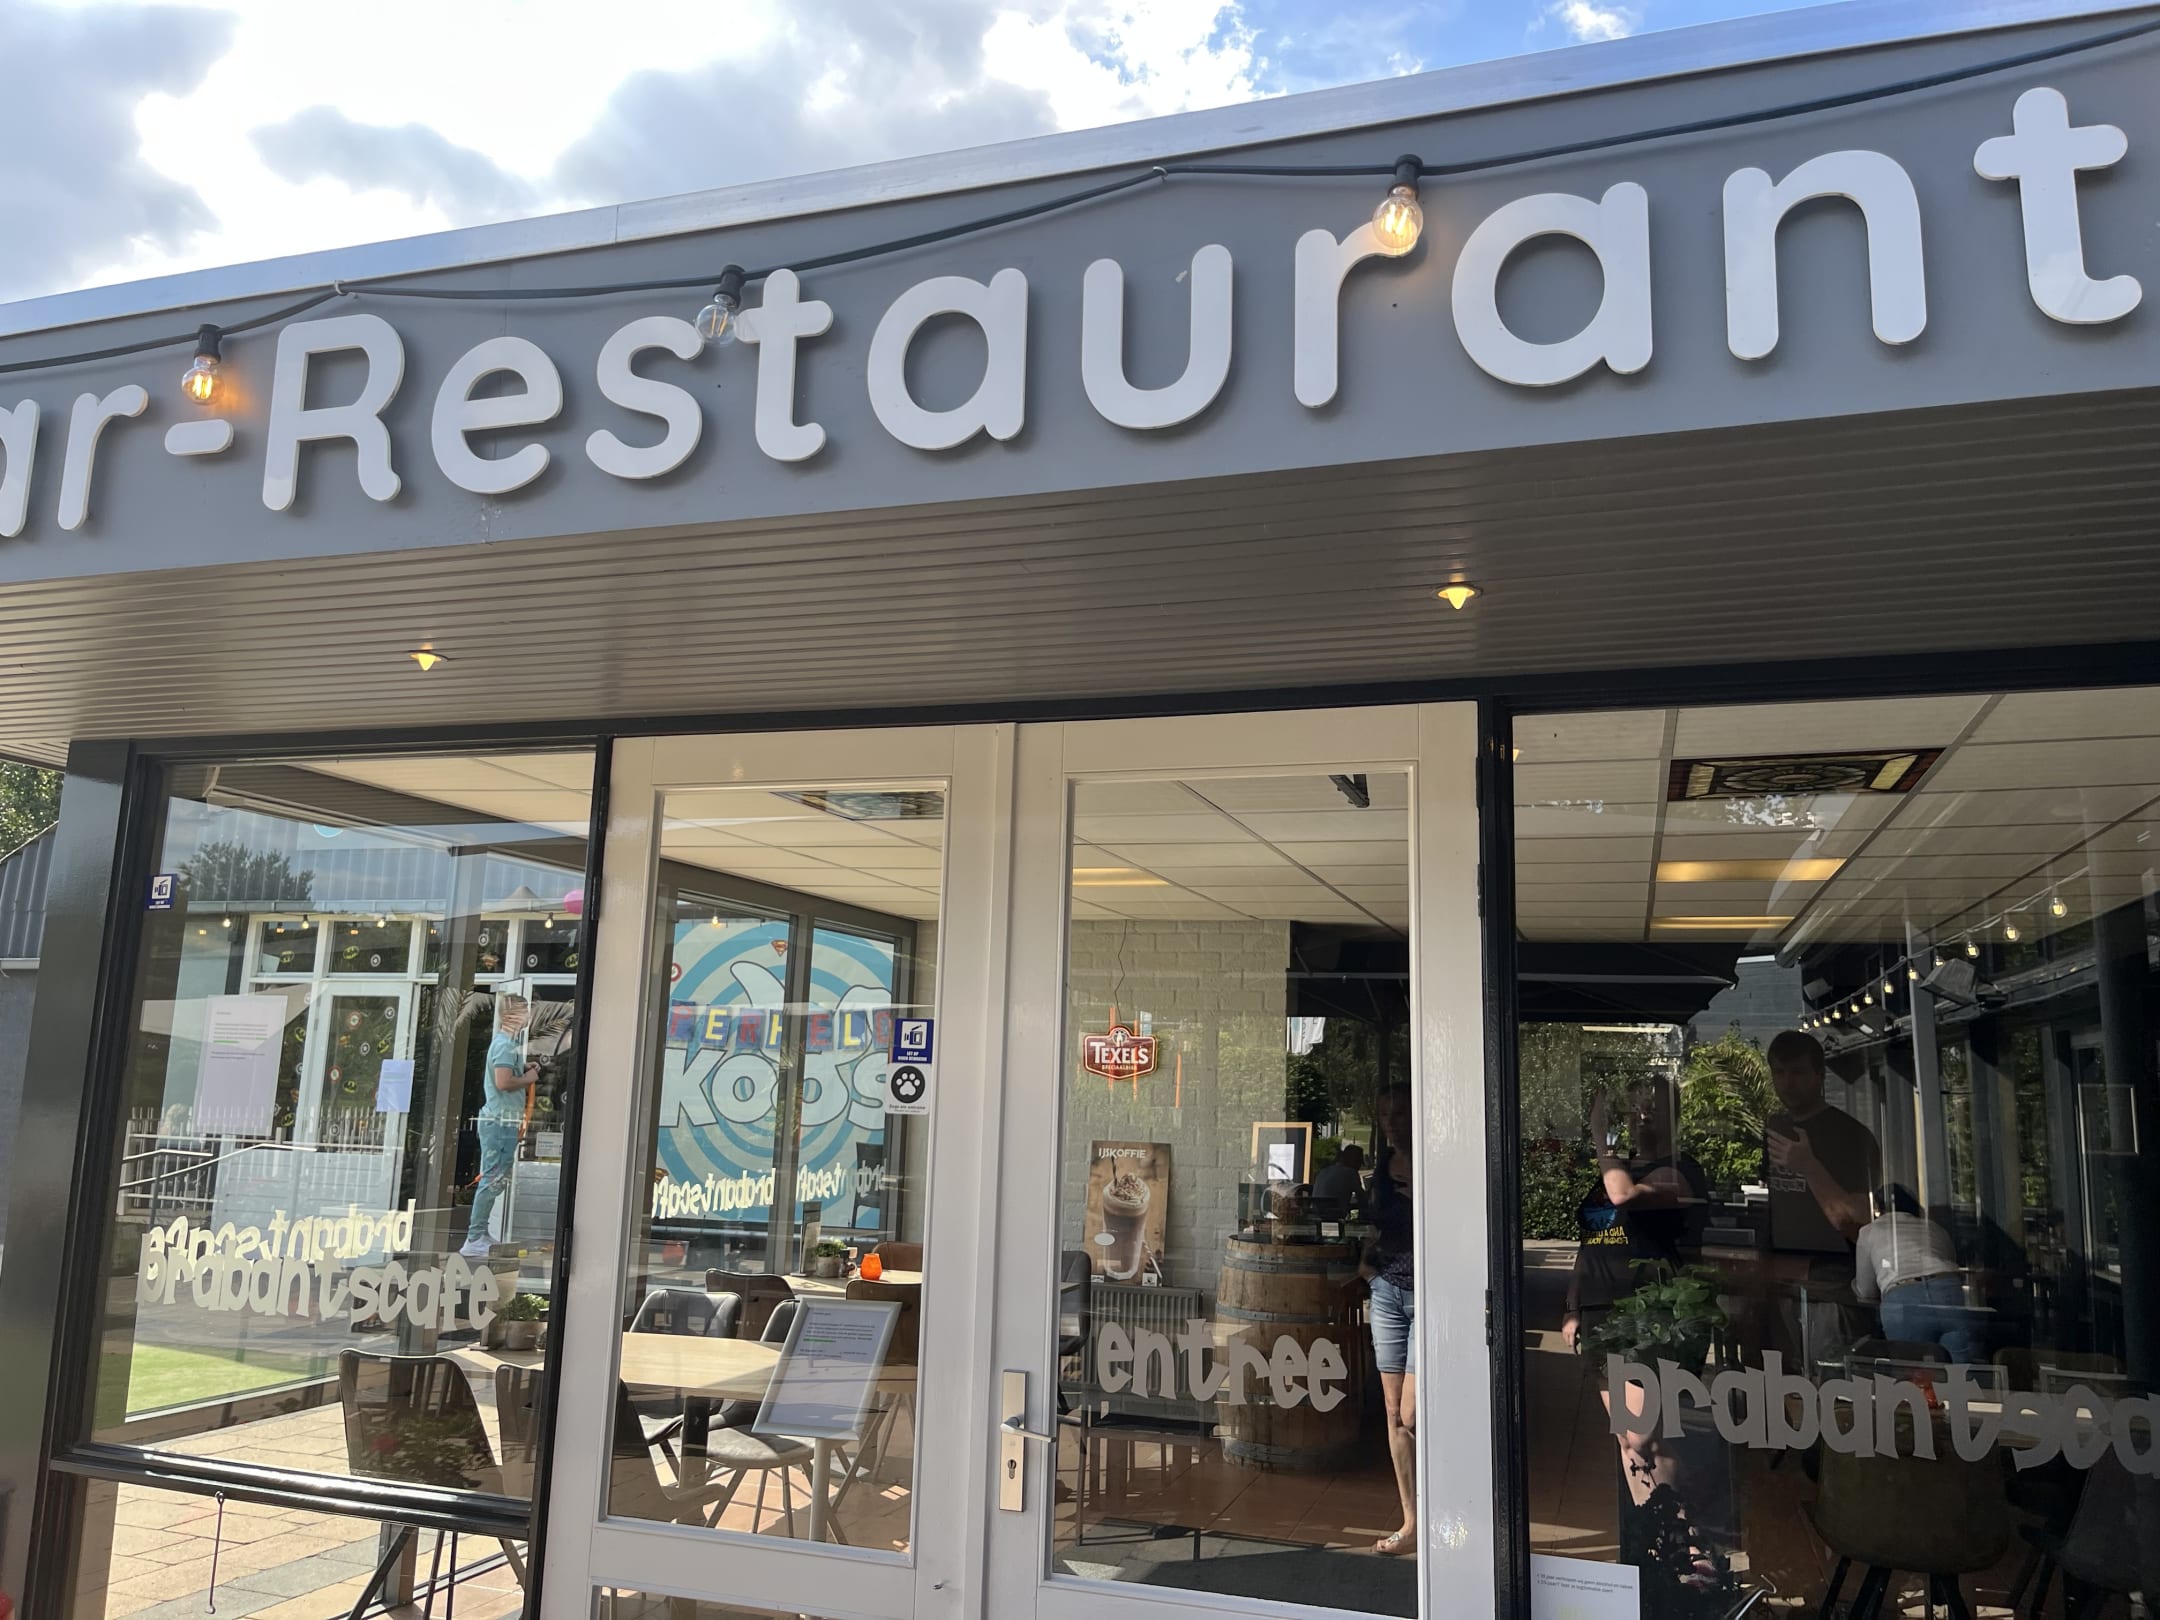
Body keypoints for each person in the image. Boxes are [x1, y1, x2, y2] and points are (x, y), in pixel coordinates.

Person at [1561, 1079, 1709, 1351]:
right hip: (1598, 1311)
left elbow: (1623, 1195)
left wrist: (1600, 1136)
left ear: (1674, 1117)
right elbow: (1590, 1242)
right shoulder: (1618, 1169)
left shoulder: (1681, 1169)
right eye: (1634, 1107)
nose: (1642, 1114)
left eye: (1653, 1107)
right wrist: (1573, 1306)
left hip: (1648, 1314)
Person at [1361, 1084, 1417, 1558]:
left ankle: (1449, 1505)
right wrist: (1366, 1267)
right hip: (1387, 1293)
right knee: (1394, 1413)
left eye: (1400, 1112)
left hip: (1430, 1297)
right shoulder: (1381, 1168)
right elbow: (1373, 1224)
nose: (1392, 1122)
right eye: (1385, 1114)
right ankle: (1412, 1521)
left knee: (1414, 1413)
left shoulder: (1435, 1162)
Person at [1762, 1030, 1880, 1254]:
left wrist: (1808, 1166)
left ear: (1819, 1074)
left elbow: (1859, 1225)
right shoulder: (1775, 1127)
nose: (1788, 1083)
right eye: (1779, 1072)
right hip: (1782, 1261)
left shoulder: (1852, 1135)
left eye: (1798, 1072)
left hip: (1835, 1265)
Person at [1854, 1182, 1983, 1365]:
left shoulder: (1869, 1232)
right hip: (1947, 1289)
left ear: (1879, 1208)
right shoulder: (1934, 1228)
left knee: (1913, 1371)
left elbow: (1866, 1290)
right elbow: (1950, 1259)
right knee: (1963, 1371)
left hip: (1903, 1295)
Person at [462, 995, 539, 1258]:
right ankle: (474, 1237)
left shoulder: (508, 1045)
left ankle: (479, 1233)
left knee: (496, 1178)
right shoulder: (505, 1046)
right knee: (493, 1177)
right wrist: (528, 1077)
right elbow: (503, 1082)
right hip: (499, 1122)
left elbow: (505, 1075)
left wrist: (523, 1069)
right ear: (513, 1015)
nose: (529, 1016)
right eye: (525, 1011)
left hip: (504, 1121)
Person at [1312, 1143, 1365, 1215]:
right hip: (1335, 1216)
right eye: (1359, 1162)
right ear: (1354, 1160)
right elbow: (1362, 1198)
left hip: (1316, 1215)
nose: (1359, 1167)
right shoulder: (1351, 1173)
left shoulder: (1323, 1171)